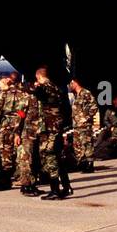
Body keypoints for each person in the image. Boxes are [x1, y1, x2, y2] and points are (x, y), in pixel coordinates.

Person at [32, 67, 71, 200]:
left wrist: (36, 87)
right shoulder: (56, 88)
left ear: (39, 77)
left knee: (50, 156)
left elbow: (37, 94)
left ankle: (55, 190)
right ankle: (66, 187)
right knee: (58, 157)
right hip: (57, 126)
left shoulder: (44, 88)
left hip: (49, 128)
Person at [68, 77, 98, 173]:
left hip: (85, 125)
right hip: (77, 125)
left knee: (87, 143)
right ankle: (83, 163)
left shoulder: (86, 93)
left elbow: (94, 106)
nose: (70, 85)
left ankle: (90, 164)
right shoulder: (77, 95)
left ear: (76, 83)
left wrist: (86, 118)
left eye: (71, 83)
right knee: (78, 144)